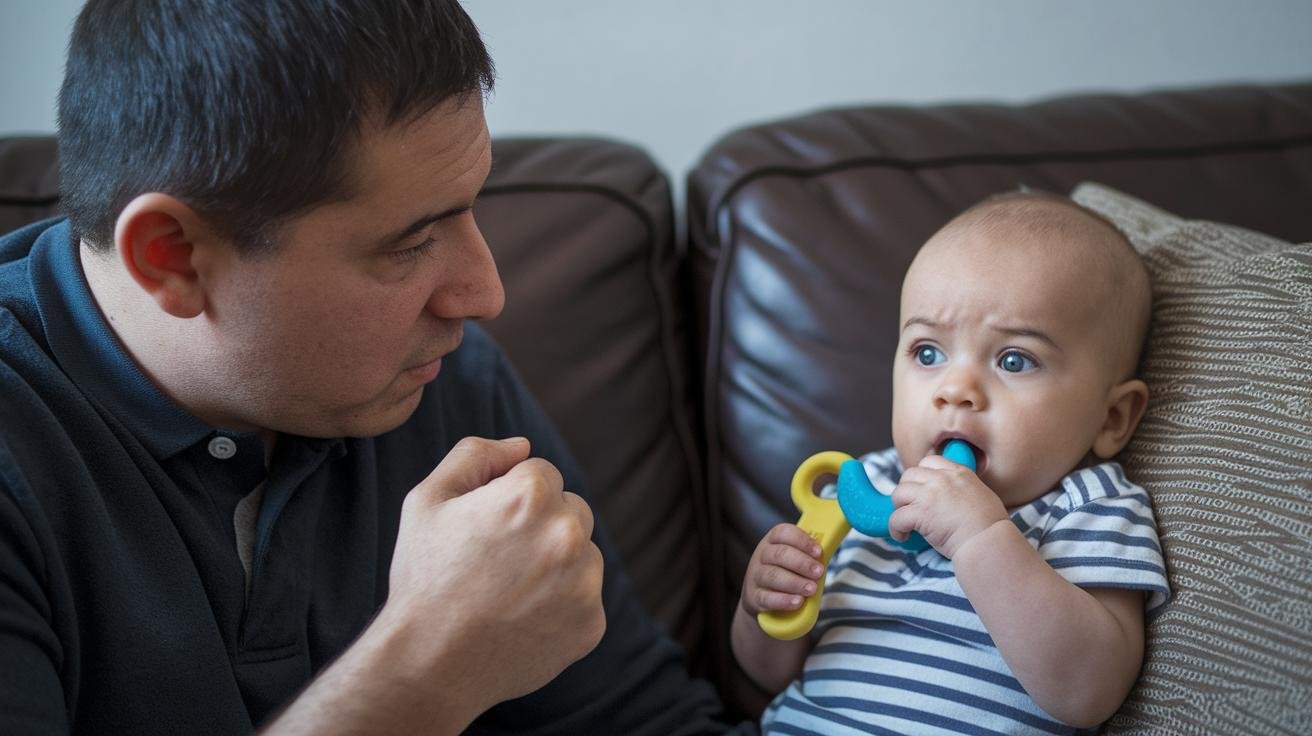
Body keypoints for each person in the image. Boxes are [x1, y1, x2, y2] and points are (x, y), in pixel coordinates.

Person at [0, 1, 749, 734]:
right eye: (412, 241)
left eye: (468, 208)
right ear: (173, 256)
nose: (483, 295)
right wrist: (428, 666)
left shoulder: (438, 376)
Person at [733, 191, 1172, 734]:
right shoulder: (863, 489)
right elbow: (772, 675)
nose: (954, 389)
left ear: (1112, 419)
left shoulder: (1091, 508)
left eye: (1015, 360)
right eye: (927, 353)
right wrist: (763, 609)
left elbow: (1086, 691)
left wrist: (978, 537)